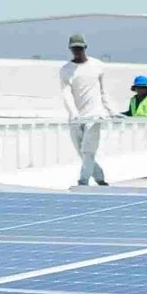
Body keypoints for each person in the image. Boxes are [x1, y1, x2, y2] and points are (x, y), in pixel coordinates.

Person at [59, 34, 109, 187]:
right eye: (74, 48)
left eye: (80, 48)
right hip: (76, 118)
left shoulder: (98, 66)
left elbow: (103, 91)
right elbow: (66, 92)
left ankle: (83, 181)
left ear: (85, 47)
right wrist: (73, 113)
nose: (77, 51)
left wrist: (110, 110)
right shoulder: (66, 70)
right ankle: (99, 177)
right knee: (82, 151)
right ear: (70, 49)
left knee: (88, 150)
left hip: (94, 115)